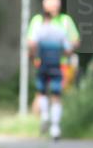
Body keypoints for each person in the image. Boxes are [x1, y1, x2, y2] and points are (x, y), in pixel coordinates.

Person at [28, 10, 73, 140]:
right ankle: (55, 127)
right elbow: (68, 49)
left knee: (42, 92)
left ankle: (45, 115)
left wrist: (32, 58)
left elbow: (32, 45)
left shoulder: (39, 30)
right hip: (56, 66)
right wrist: (62, 55)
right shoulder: (60, 31)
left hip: (42, 65)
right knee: (56, 96)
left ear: (42, 18)